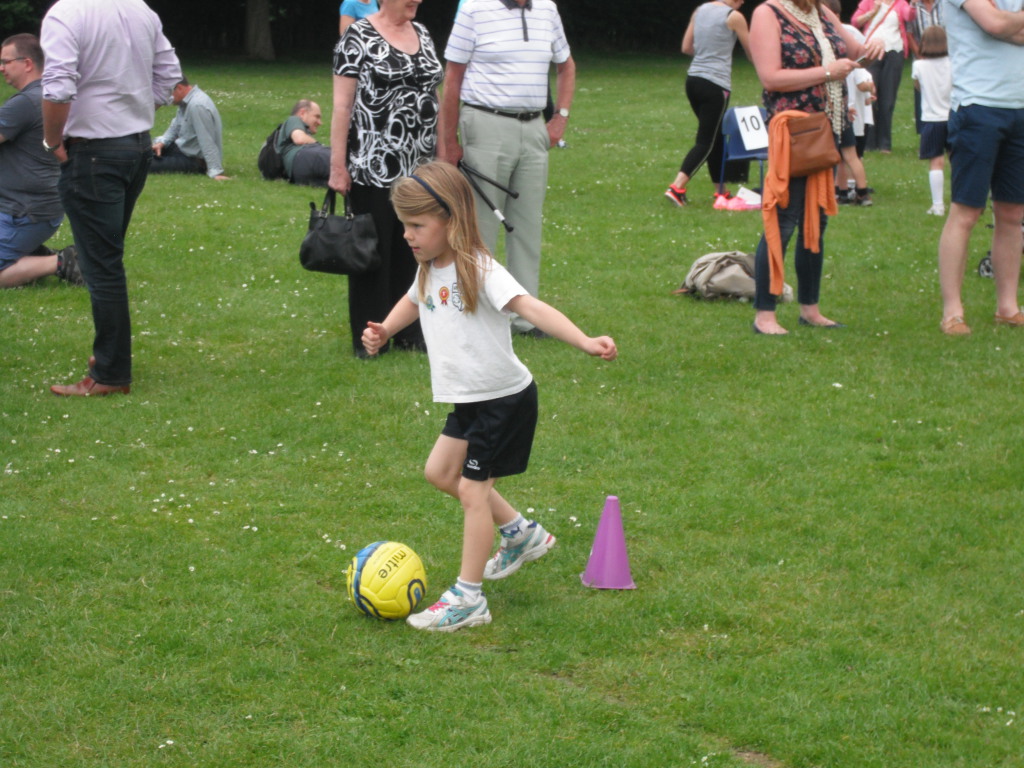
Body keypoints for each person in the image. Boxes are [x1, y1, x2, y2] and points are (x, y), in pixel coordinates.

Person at [361, 161, 617, 632]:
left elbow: (530, 307)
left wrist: (583, 340)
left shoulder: (477, 267)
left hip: (504, 400)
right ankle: (522, 534)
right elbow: (412, 301)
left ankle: (468, 598)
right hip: (471, 402)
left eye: (417, 226)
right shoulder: (428, 270)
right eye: (404, 226)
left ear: (451, 221)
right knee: (440, 473)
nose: (407, 236)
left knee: (474, 493)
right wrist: (384, 330)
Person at [41, 0, 182, 396]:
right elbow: (169, 76)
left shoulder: (67, 14)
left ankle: (110, 373)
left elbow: (57, 86)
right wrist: (132, 109)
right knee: (105, 259)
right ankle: (109, 357)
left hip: (94, 150)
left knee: (101, 266)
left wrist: (52, 141)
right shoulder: (141, 10)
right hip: (133, 147)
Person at [439, 0, 575, 336]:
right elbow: (452, 77)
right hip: (485, 124)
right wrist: (448, 141)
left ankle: (526, 319)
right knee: (480, 226)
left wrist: (561, 117)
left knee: (528, 226)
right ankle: (477, 310)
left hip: (533, 129)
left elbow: (566, 66)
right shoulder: (474, 8)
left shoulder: (547, 9)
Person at [748, 0, 882, 335]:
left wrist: (872, 46)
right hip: (793, 133)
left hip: (826, 129)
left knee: (815, 221)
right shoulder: (768, 13)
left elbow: (856, 50)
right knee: (784, 219)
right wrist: (827, 72)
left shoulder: (820, 11)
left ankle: (810, 309)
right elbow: (770, 77)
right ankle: (764, 315)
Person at [329, 0, 443, 357]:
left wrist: (443, 155)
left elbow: (434, 96)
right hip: (373, 166)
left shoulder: (422, 33)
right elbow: (342, 106)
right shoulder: (357, 36)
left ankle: (411, 335)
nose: (417, 1)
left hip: (420, 170)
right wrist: (337, 165)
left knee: (415, 253)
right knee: (372, 256)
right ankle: (370, 339)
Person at [936, 0, 1024, 336]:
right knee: (967, 211)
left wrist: (1007, 23)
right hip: (977, 107)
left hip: (1019, 107)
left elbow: (1002, 24)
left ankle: (1008, 307)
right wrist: (1008, 25)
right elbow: (994, 24)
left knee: (1013, 212)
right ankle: (952, 312)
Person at [0, 33, 82, 288]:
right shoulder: (50, 95)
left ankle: (61, 261)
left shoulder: (26, 102)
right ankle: (33, 254)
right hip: (33, 205)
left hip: (24, 211)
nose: (1, 68)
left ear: (27, 63)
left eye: (5, 62)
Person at [664, 0, 753, 208]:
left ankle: (721, 192)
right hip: (716, 84)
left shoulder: (700, 10)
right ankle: (677, 187)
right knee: (706, 141)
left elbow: (686, 47)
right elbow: (751, 52)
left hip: (693, 80)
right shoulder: (734, 17)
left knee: (717, 137)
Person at [853, 0, 914, 153]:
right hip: (872, 52)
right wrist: (873, 12)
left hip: (894, 51)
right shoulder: (868, 2)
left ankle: (885, 144)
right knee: (871, 96)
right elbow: (855, 21)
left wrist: (914, 4)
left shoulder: (900, 3)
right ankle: (869, 142)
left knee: (888, 100)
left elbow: (910, 16)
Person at [150, 77, 228, 180]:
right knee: (140, 153)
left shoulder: (197, 105)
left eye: (167, 93)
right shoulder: (186, 102)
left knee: (143, 165)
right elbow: (175, 126)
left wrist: (215, 171)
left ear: (179, 88)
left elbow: (207, 139)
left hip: (192, 160)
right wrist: (162, 143)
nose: (166, 99)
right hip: (179, 150)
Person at [911, 25, 951, 216]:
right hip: (954, 117)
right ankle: (961, 202)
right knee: (959, 161)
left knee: (936, 162)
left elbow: (918, 86)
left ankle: (938, 205)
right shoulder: (954, 63)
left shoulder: (919, 65)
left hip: (932, 118)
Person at [907, 0, 945, 134]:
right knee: (921, 95)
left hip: (945, 57)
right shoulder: (913, 8)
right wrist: (919, 54)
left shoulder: (944, 4)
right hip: (922, 57)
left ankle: (949, 133)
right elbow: (909, 32)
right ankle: (924, 133)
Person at [279, 99, 332, 187]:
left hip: (297, 174)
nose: (320, 122)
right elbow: (299, 139)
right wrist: (319, 145)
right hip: (304, 157)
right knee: (346, 161)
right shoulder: (293, 120)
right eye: (317, 117)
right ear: (302, 113)